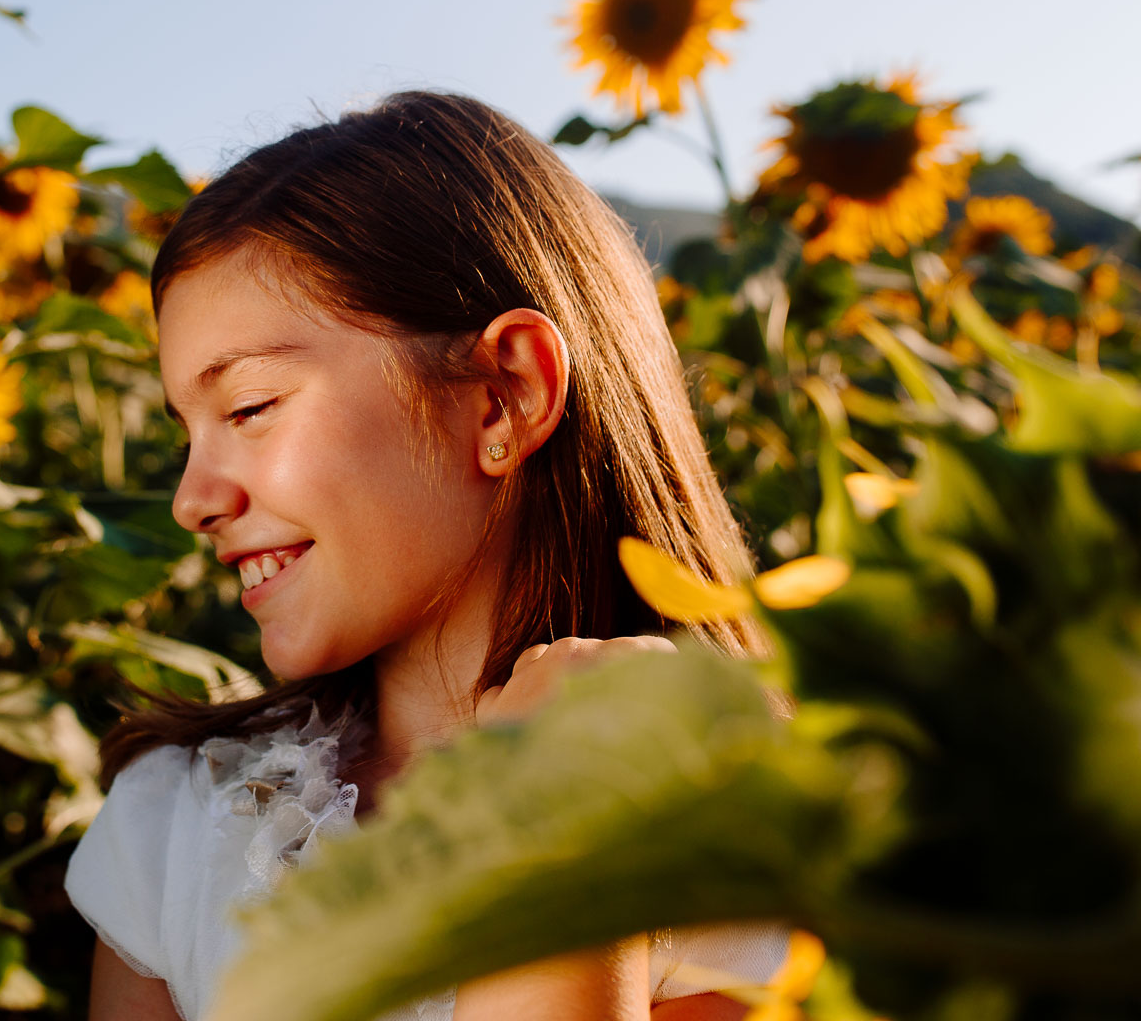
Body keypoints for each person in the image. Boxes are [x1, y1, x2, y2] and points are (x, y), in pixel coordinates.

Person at [65, 91, 789, 1020]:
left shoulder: (750, 834)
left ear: (503, 395)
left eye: (248, 408)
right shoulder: (177, 823)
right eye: (187, 434)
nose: (193, 500)